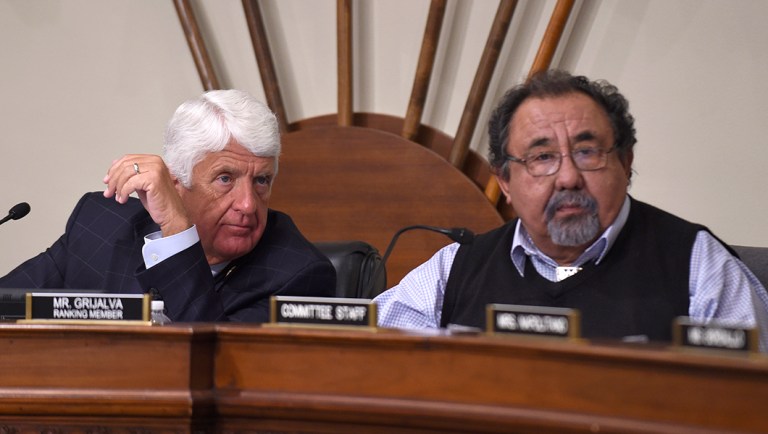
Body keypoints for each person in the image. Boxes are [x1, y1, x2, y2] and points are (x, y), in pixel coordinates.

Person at [374, 70, 768, 348]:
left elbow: (746, 403)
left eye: (586, 151)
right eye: (542, 156)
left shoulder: (697, 264)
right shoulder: (455, 269)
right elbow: (369, 360)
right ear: (506, 181)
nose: (567, 178)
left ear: (626, 162)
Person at [0, 89, 336, 321]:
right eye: (225, 179)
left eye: (262, 180)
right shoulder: (100, 224)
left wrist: (178, 230)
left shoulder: (297, 275)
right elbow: (7, 306)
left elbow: (220, 370)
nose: (248, 205)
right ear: (175, 181)